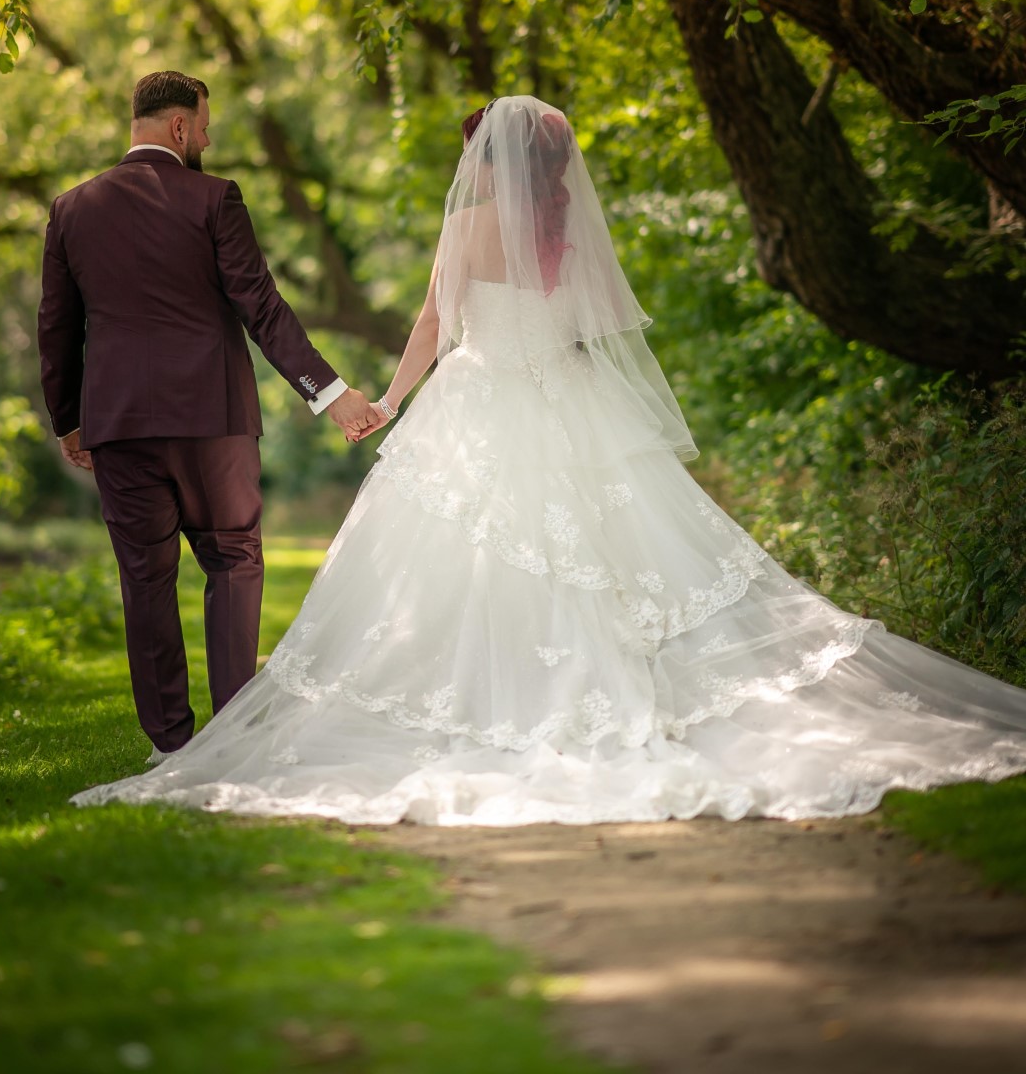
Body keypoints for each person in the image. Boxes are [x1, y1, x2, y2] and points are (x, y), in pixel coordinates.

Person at [71, 95, 1026, 825]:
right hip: (570, 402)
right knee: (612, 561)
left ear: (493, 162)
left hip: (478, 405)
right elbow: (592, 335)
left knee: (468, 566)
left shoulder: (468, 227)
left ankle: (486, 704)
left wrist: (389, 403)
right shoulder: (570, 237)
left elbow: (438, 326)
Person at [39, 70, 374, 765]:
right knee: (234, 561)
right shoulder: (215, 197)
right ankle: (233, 731)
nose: (210, 139)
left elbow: (57, 329)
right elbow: (261, 306)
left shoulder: (71, 210)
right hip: (212, 418)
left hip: (120, 425)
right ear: (180, 128)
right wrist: (329, 391)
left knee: (146, 578)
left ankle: (169, 743)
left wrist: (70, 421)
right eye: (205, 126)